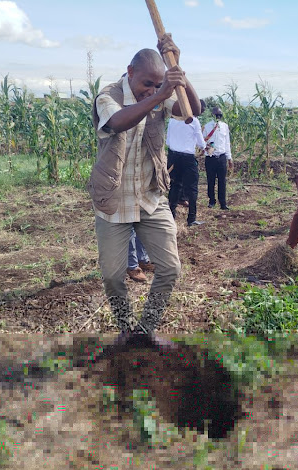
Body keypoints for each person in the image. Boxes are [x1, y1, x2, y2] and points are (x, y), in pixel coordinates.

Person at [89, 37, 201, 344]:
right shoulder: (108, 95)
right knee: (113, 276)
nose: (151, 90)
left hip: (151, 197)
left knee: (169, 269)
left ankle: (145, 328)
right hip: (114, 201)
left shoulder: (159, 93)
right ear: (130, 72)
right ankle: (125, 327)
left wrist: (178, 70)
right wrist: (159, 94)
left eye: (157, 85)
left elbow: (194, 108)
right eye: (146, 84)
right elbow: (118, 121)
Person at [167, 99, 206, 226]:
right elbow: (201, 143)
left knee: (175, 185)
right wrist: (204, 147)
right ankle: (191, 218)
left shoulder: (172, 120)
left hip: (173, 156)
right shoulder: (194, 121)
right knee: (192, 188)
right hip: (188, 157)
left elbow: (167, 141)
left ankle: (171, 216)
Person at [202, 107, 232, 210]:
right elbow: (202, 142)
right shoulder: (206, 127)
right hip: (210, 158)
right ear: (212, 115)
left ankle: (223, 203)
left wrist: (229, 158)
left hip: (222, 157)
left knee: (222, 181)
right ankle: (211, 201)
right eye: (216, 115)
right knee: (211, 180)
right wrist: (207, 147)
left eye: (219, 115)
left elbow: (227, 143)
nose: (218, 117)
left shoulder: (224, 127)